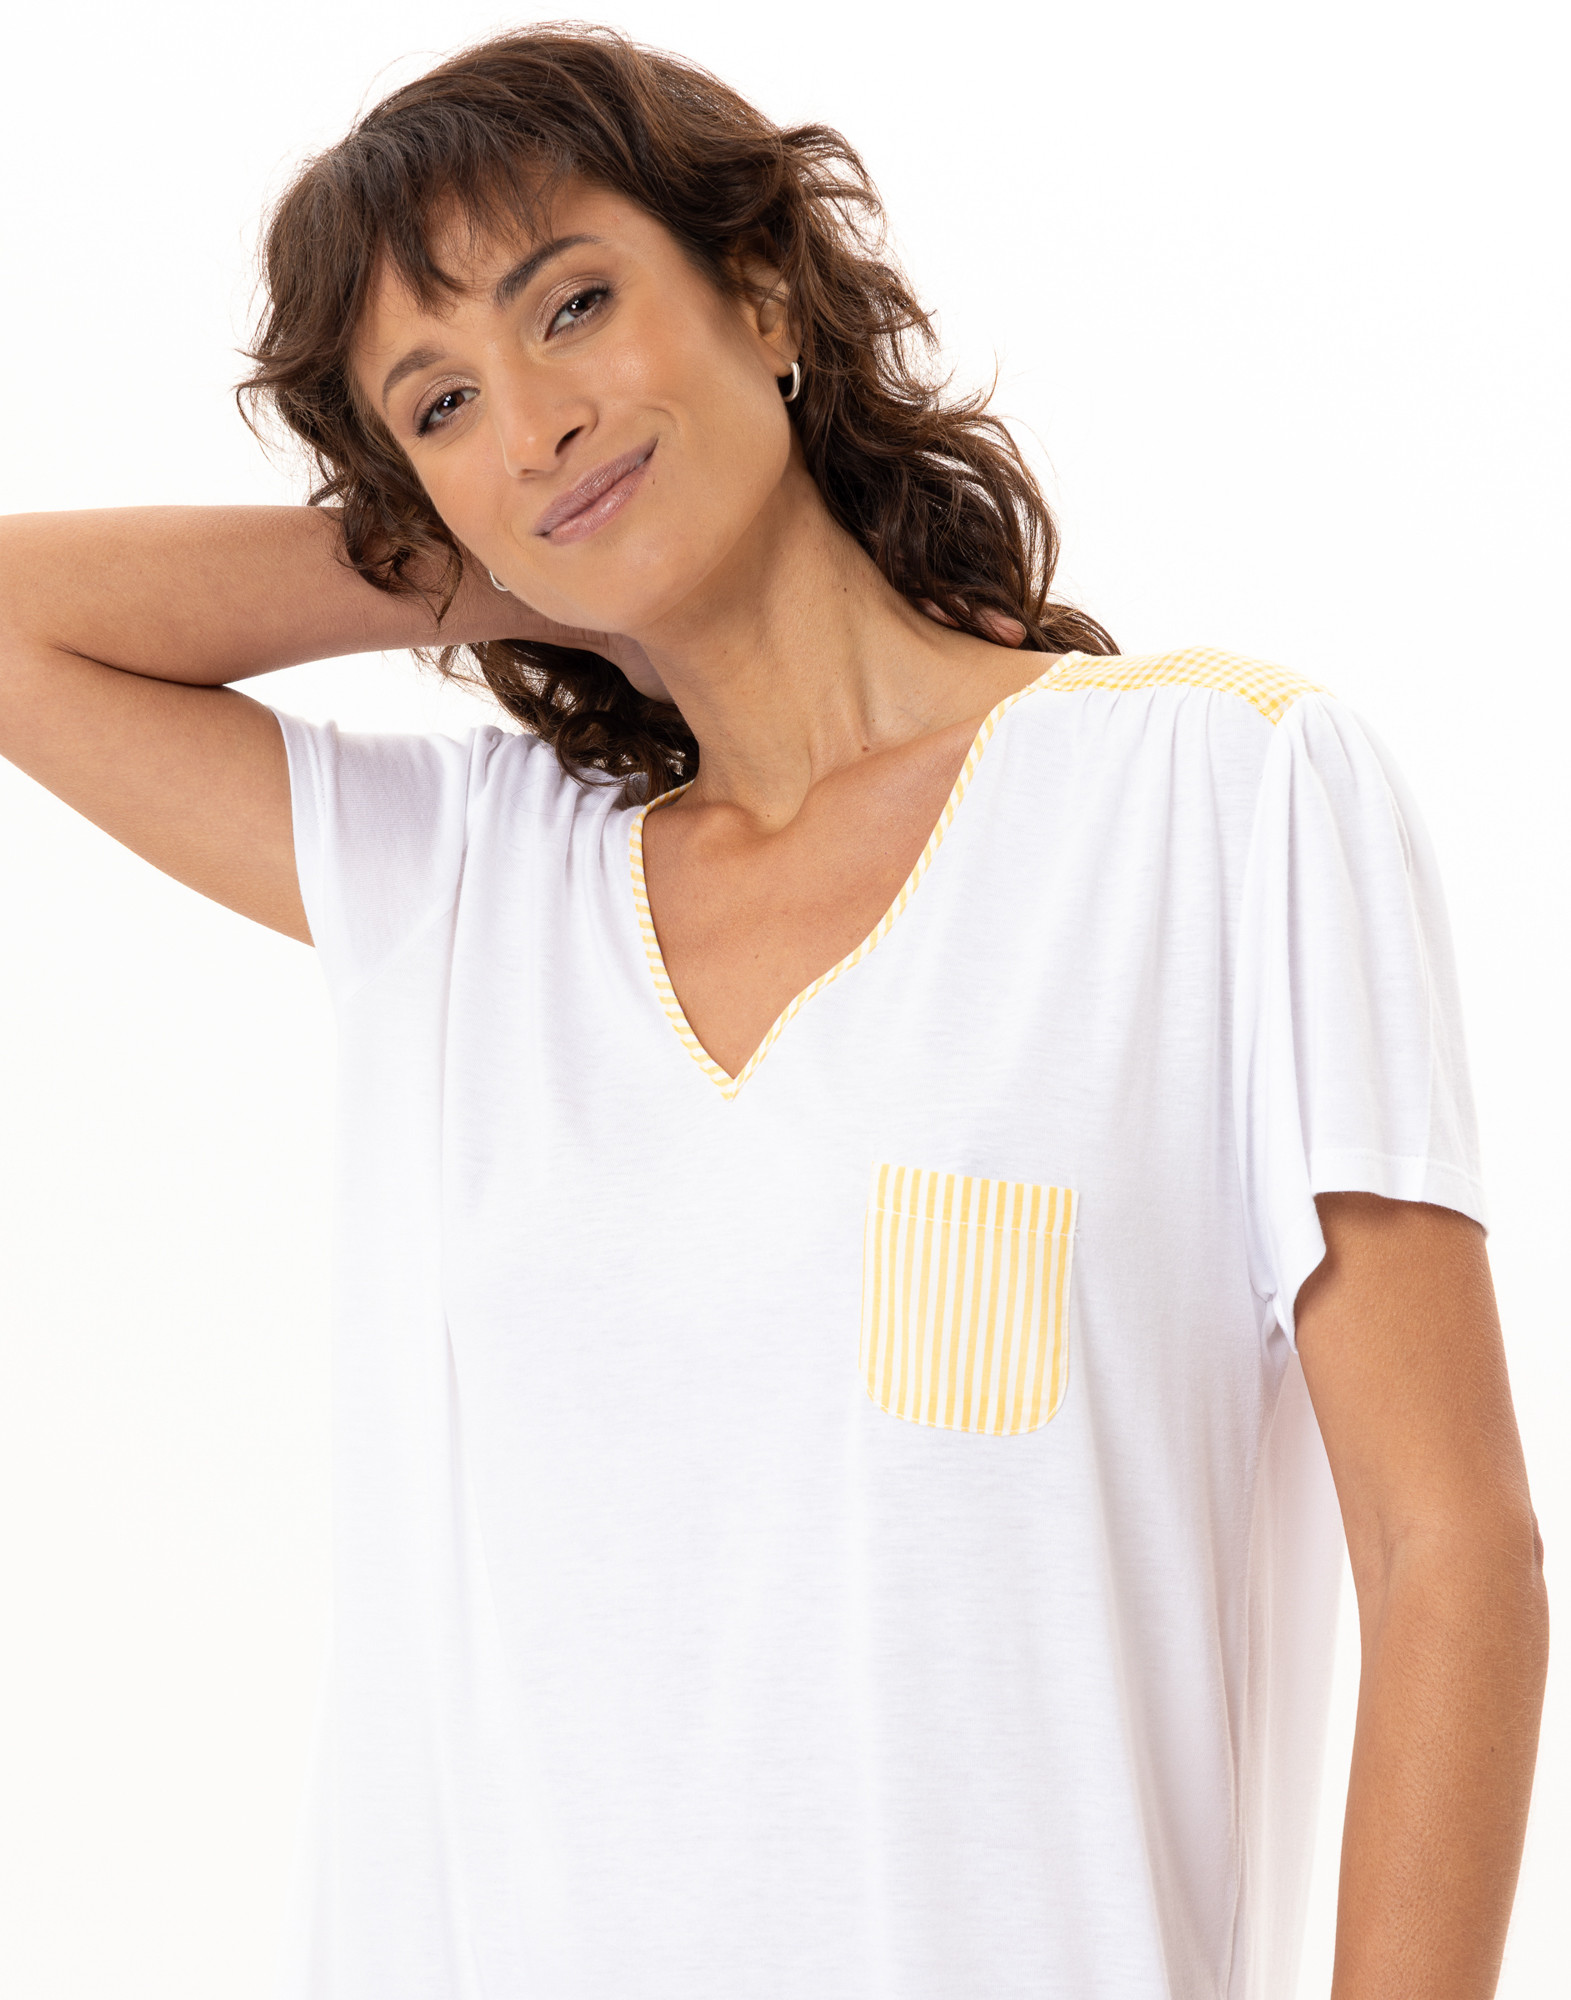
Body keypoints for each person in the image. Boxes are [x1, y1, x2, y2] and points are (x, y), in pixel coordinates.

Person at [0, 23, 1547, 2000]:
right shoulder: (481, 889)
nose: (535, 419)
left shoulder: (1214, 797)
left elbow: (1450, 1551)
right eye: (442, 401)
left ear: (760, 289)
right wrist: (500, 567)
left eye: (574, 305)